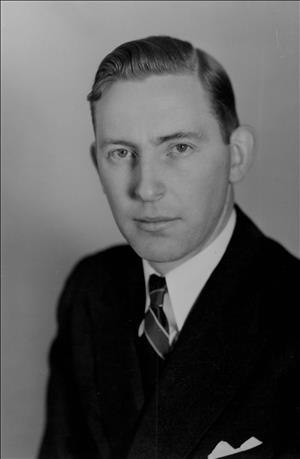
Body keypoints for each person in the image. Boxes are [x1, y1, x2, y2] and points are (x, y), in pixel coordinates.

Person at [38, 36, 300, 459]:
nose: (146, 188)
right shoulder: (90, 289)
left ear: (237, 156)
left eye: (178, 148)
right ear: (96, 163)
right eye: (121, 152)